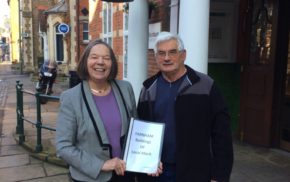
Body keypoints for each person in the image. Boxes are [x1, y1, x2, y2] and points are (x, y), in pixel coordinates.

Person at [137, 32, 233, 182]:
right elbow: (141, 131)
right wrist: (142, 164)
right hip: (156, 171)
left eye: (172, 52)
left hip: (196, 171)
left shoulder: (206, 86)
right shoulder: (148, 88)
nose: (167, 58)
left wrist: (219, 175)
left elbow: (222, 135)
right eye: (161, 53)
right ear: (156, 58)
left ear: (183, 55)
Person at [55, 39, 138, 182]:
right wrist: (102, 164)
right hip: (91, 177)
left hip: (125, 174)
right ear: (85, 62)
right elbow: (63, 146)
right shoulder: (71, 98)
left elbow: (136, 131)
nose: (100, 62)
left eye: (106, 58)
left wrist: (149, 159)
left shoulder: (126, 88)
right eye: (94, 57)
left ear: (112, 64)